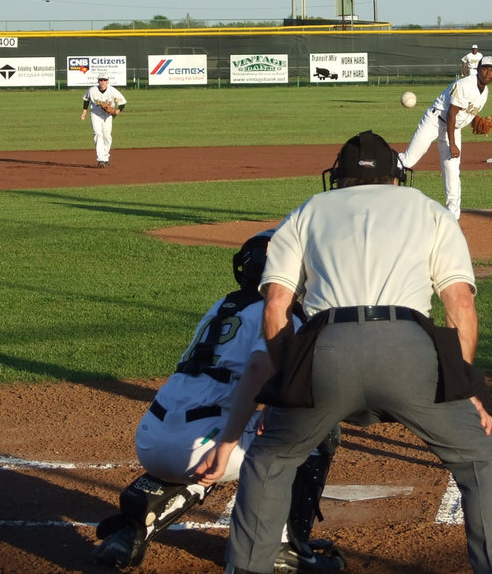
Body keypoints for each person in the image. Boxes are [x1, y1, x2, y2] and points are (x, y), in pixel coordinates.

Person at [194, 131, 492, 574]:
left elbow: (275, 307)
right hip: (411, 353)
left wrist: (283, 383)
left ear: (340, 177)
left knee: (271, 459)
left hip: (326, 351)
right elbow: (460, 304)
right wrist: (463, 389)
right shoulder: (430, 210)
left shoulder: (308, 211)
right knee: (484, 460)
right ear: (395, 176)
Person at [92, 230, 344, 573]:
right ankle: (284, 548)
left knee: (218, 436)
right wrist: (227, 443)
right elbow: (258, 368)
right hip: (201, 442)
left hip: (151, 435)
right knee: (317, 428)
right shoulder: (282, 313)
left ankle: (134, 526)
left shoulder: (223, 306)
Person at [397, 56, 492, 219]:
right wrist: (453, 144)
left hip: (453, 127)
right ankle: (379, 172)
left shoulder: (484, 92)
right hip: (435, 121)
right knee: (408, 160)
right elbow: (451, 113)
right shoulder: (466, 85)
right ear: (478, 69)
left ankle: (453, 215)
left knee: (452, 169)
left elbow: (464, 113)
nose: (488, 73)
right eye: (485, 68)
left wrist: (474, 121)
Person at [80, 75, 127, 168]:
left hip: (107, 116)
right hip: (95, 114)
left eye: (104, 80)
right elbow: (86, 100)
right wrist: (84, 112)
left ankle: (106, 158)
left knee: (107, 136)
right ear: (98, 81)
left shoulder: (112, 91)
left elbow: (122, 103)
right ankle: (101, 159)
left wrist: (117, 111)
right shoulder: (92, 90)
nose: (102, 82)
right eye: (101, 80)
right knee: (97, 134)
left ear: (107, 81)